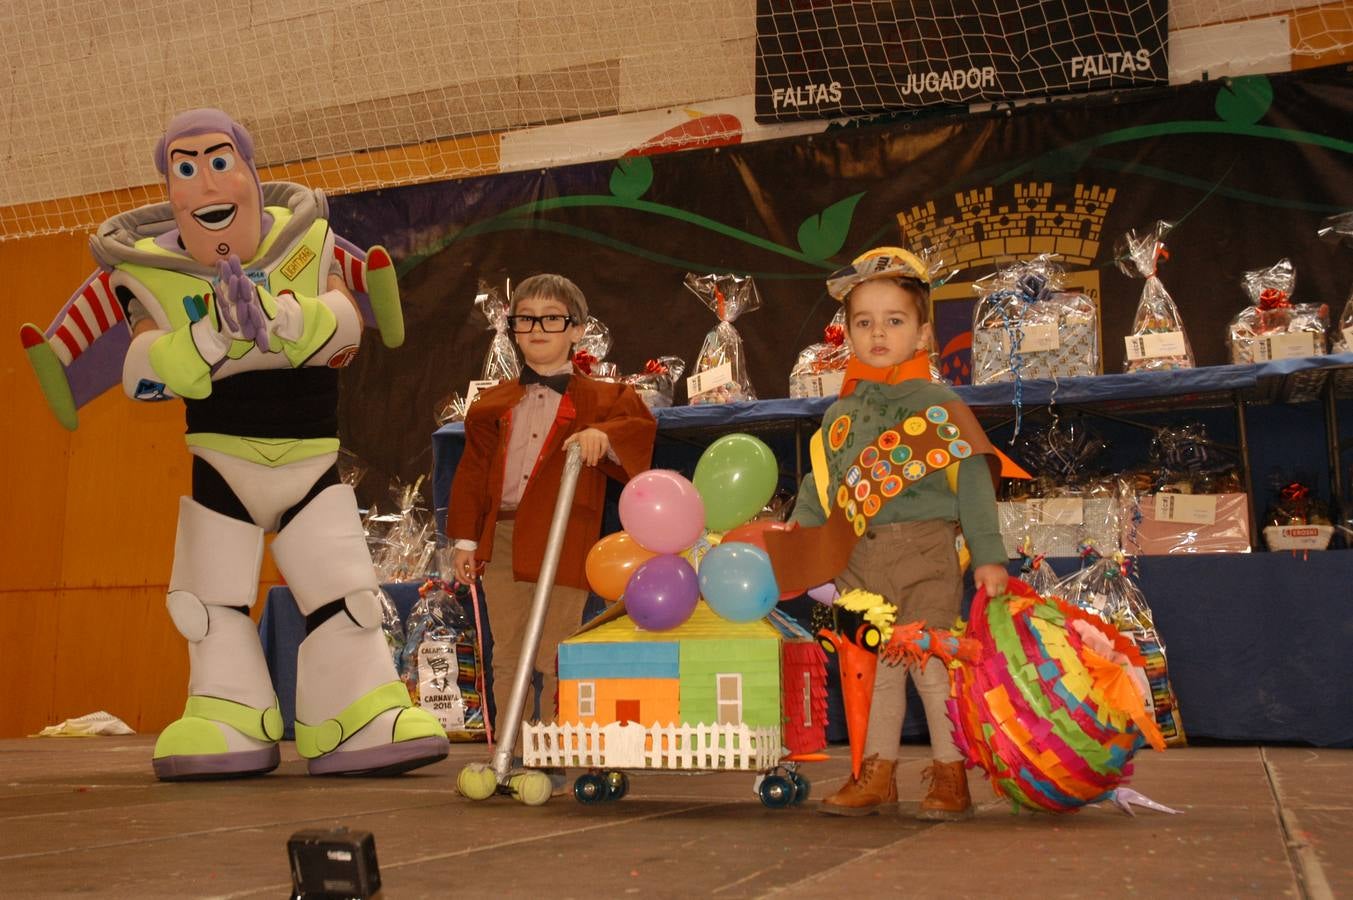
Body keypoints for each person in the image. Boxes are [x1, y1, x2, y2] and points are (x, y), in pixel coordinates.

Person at [22, 108, 448, 780]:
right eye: (184, 170)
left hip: (310, 458)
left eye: (218, 162)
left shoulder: (307, 243)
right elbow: (140, 372)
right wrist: (203, 341)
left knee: (348, 595)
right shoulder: (150, 273)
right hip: (222, 462)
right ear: (170, 189)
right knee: (206, 603)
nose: (205, 185)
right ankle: (228, 713)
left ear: (248, 170)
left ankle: (354, 712)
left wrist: (289, 319)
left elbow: (345, 327)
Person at [765, 247, 1010, 820]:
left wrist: (989, 558)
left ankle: (952, 776)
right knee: (873, 670)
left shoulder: (941, 403)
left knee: (931, 667)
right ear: (846, 331)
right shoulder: (839, 410)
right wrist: (801, 538)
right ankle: (875, 773)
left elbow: (974, 483)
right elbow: (819, 486)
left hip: (926, 552)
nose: (878, 334)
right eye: (864, 322)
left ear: (923, 332)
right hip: (857, 560)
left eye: (894, 321)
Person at [447, 274, 656, 757]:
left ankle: (555, 748)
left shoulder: (606, 398)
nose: (538, 328)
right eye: (526, 319)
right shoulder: (489, 403)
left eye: (552, 319)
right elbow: (473, 472)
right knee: (508, 651)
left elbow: (638, 430)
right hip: (500, 535)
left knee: (555, 650)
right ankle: (512, 753)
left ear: (577, 330)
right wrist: (463, 540)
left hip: (565, 534)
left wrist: (603, 437)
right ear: (513, 328)